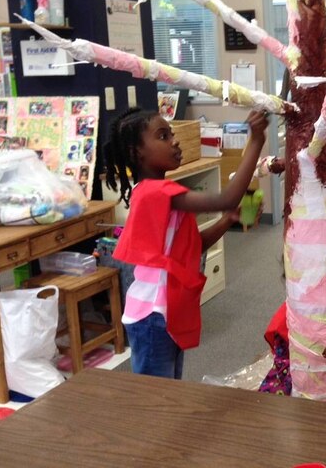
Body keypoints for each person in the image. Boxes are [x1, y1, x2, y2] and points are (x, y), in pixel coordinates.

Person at [104, 106, 268, 379]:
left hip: (163, 312)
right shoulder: (158, 192)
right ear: (137, 152)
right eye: (163, 136)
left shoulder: (156, 194)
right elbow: (225, 199)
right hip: (153, 315)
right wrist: (257, 141)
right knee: (158, 399)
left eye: (172, 134)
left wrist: (228, 221)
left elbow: (194, 247)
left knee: (168, 390)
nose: (175, 141)